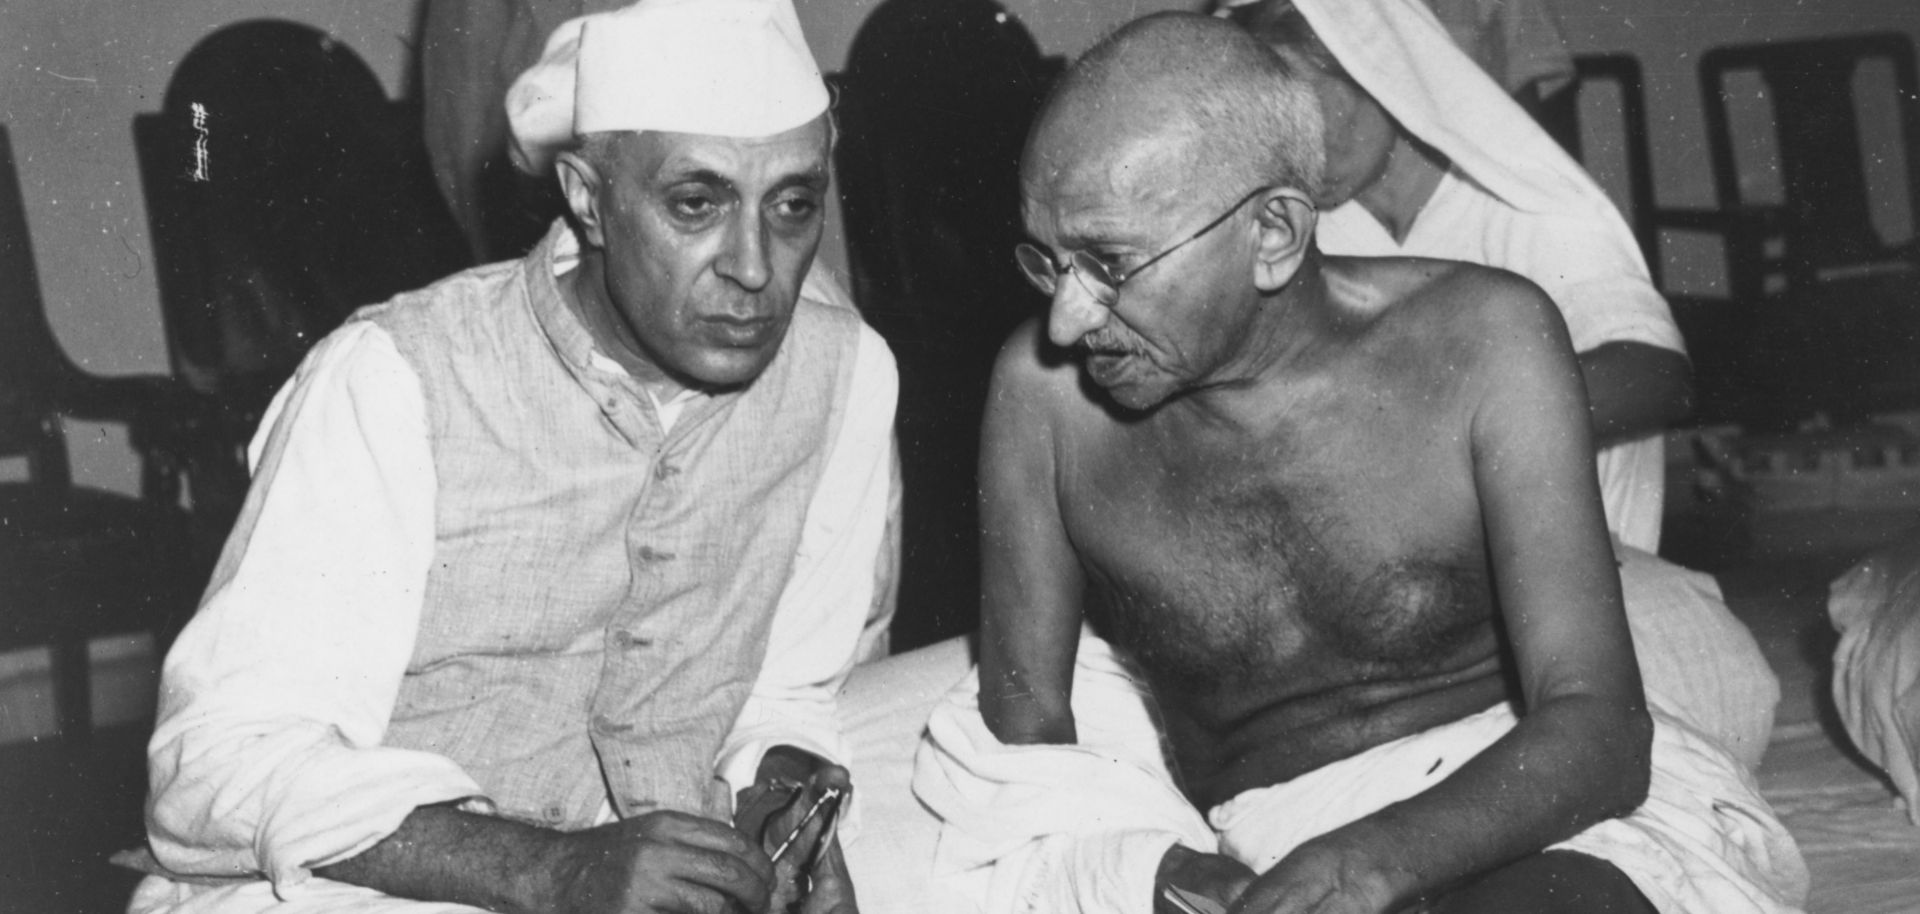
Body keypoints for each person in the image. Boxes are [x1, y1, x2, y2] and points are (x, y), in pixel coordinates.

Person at [913, 12, 1806, 914]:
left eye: (1108, 263)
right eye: (1048, 260)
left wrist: (1373, 863)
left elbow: (1602, 732)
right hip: (1281, 833)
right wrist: (1159, 868)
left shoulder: (1486, 338)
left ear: (1272, 234)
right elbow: (1028, 750)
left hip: (1538, 806)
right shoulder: (1044, 396)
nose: (1067, 317)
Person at [129, 2, 893, 912]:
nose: (757, 268)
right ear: (587, 197)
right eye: (697, 203)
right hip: (369, 878)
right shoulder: (398, 379)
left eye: (794, 205)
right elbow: (210, 766)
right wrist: (550, 870)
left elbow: (793, 683)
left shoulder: (840, 369)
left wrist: (783, 816)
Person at [1209, 0, 1781, 767]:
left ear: (1383, 75)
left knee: (1694, 695)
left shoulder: (1527, 201)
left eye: (1305, 107)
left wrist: (1457, 428)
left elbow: (1658, 377)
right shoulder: (1301, 229)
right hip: (1361, 571)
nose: (1291, 151)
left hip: (1558, 555)